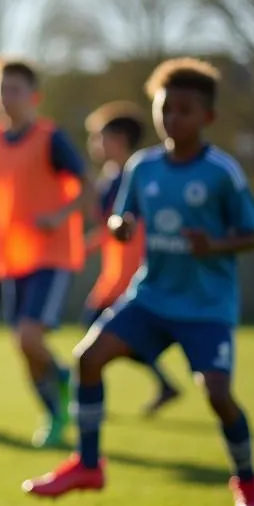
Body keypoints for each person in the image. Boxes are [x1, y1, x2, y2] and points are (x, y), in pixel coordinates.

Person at [24, 59, 254, 506]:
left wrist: (214, 244)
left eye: (184, 110)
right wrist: (120, 226)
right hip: (151, 296)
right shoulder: (143, 166)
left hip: (206, 306)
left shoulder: (222, 172)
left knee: (217, 393)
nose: (173, 118)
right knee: (88, 358)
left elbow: (252, 233)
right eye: (165, 109)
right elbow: (122, 214)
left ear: (207, 117)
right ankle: (89, 464)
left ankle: (249, 481)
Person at [0, 57, 90, 448]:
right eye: (0, 89)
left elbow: (87, 187)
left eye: (15, 90)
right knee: (23, 347)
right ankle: (55, 411)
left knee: (30, 337)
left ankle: (63, 378)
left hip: (52, 253)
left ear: (34, 96)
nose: (6, 97)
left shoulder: (51, 137)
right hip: (11, 257)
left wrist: (59, 215)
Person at [83, 101, 179, 415]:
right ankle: (163, 384)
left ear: (120, 138)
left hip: (133, 274)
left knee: (97, 331)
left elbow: (134, 226)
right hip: (113, 271)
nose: (94, 144)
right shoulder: (108, 179)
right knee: (109, 335)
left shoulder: (138, 175)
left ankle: (93, 401)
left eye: (100, 137)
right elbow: (110, 227)